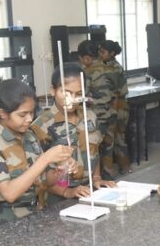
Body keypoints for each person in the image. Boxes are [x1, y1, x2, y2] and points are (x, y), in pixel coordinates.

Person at [0, 79, 73, 229]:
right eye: (22, 114)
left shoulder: (30, 136)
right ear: (3, 114)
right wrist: (45, 159)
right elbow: (10, 193)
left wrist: (61, 170)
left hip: (38, 213)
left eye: (32, 112)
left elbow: (45, 181)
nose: (29, 119)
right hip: (6, 221)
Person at [31, 63, 115, 206]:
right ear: (53, 91)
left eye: (79, 94)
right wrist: (67, 192)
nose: (72, 99)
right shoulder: (41, 126)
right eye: (66, 93)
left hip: (88, 192)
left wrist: (96, 178)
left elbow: (94, 151)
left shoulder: (90, 116)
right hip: (57, 197)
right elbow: (36, 176)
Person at [77, 40, 119, 180]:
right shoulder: (111, 67)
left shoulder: (87, 72)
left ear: (86, 58)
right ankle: (109, 177)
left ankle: (97, 179)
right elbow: (118, 90)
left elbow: (82, 94)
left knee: (95, 148)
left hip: (97, 116)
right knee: (108, 147)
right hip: (112, 112)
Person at [99, 40, 131, 174]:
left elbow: (114, 92)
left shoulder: (114, 68)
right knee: (115, 138)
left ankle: (124, 167)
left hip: (119, 106)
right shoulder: (108, 65)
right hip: (116, 104)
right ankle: (123, 167)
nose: (100, 54)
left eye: (103, 52)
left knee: (117, 138)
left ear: (111, 53)